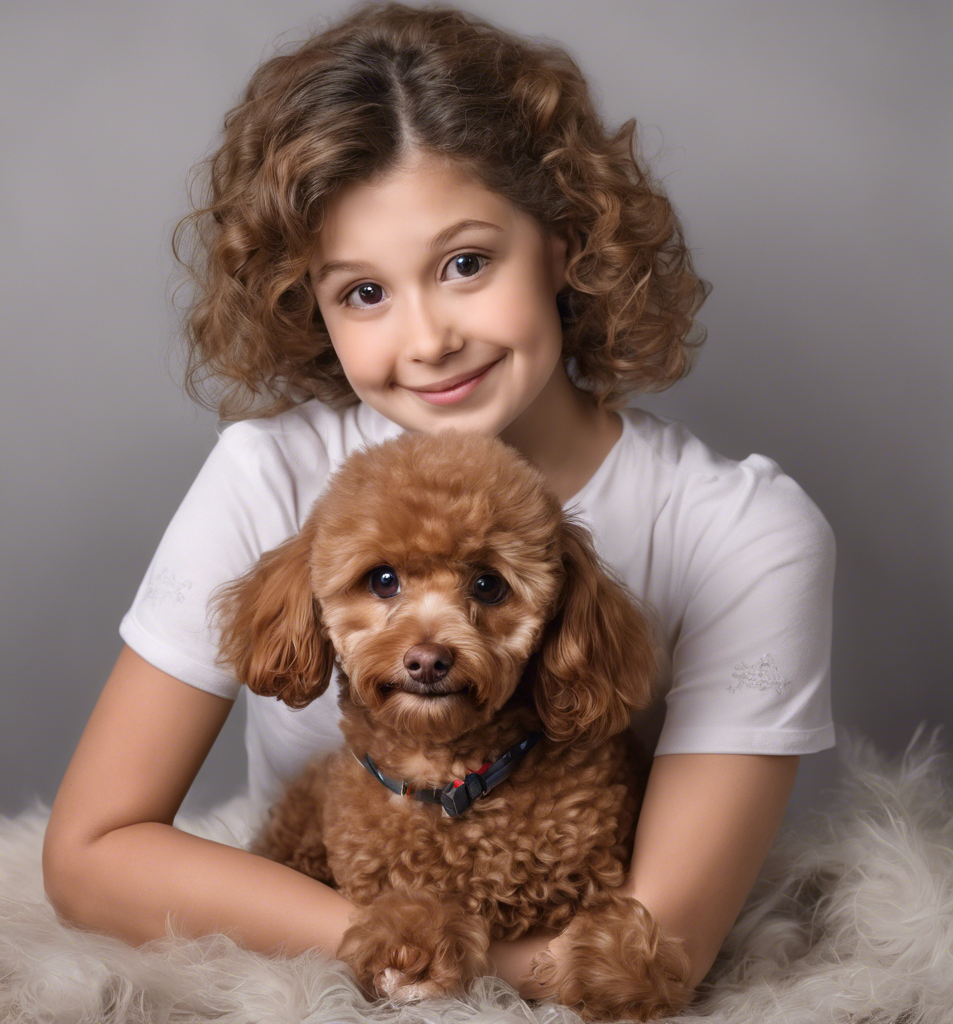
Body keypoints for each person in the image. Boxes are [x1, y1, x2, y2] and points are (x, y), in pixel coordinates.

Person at [42, 1, 835, 1005]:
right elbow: (90, 855)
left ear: (562, 240)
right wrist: (399, 941)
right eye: (362, 292)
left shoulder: (742, 534)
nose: (426, 341)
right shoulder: (270, 477)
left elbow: (657, 949)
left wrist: (454, 966)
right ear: (313, 309)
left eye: (465, 263)